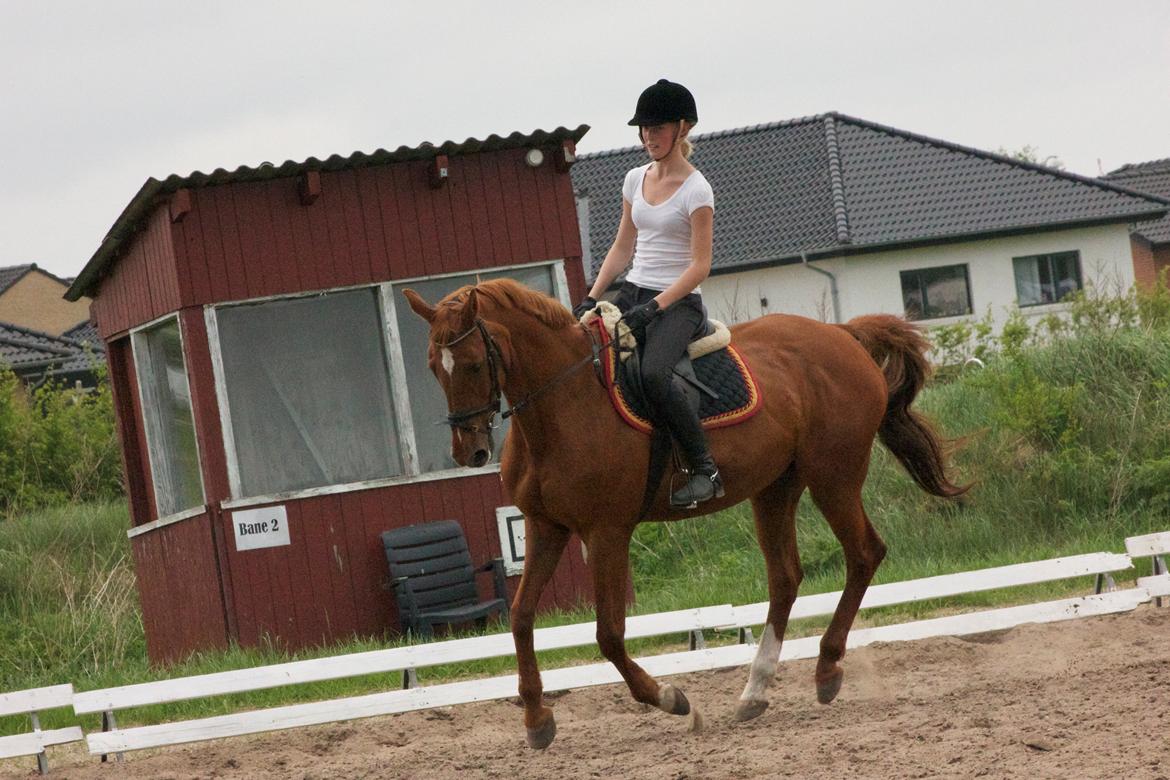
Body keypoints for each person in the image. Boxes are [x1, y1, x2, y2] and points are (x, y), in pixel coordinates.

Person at [572, 78, 722, 509]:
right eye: (643, 129)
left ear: (682, 128)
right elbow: (622, 247)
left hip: (677, 305)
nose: (647, 137)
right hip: (633, 292)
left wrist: (655, 307)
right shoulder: (634, 179)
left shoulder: (697, 190)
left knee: (654, 374)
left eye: (657, 128)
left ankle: (705, 468)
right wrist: (593, 296)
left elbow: (700, 266)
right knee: (588, 356)